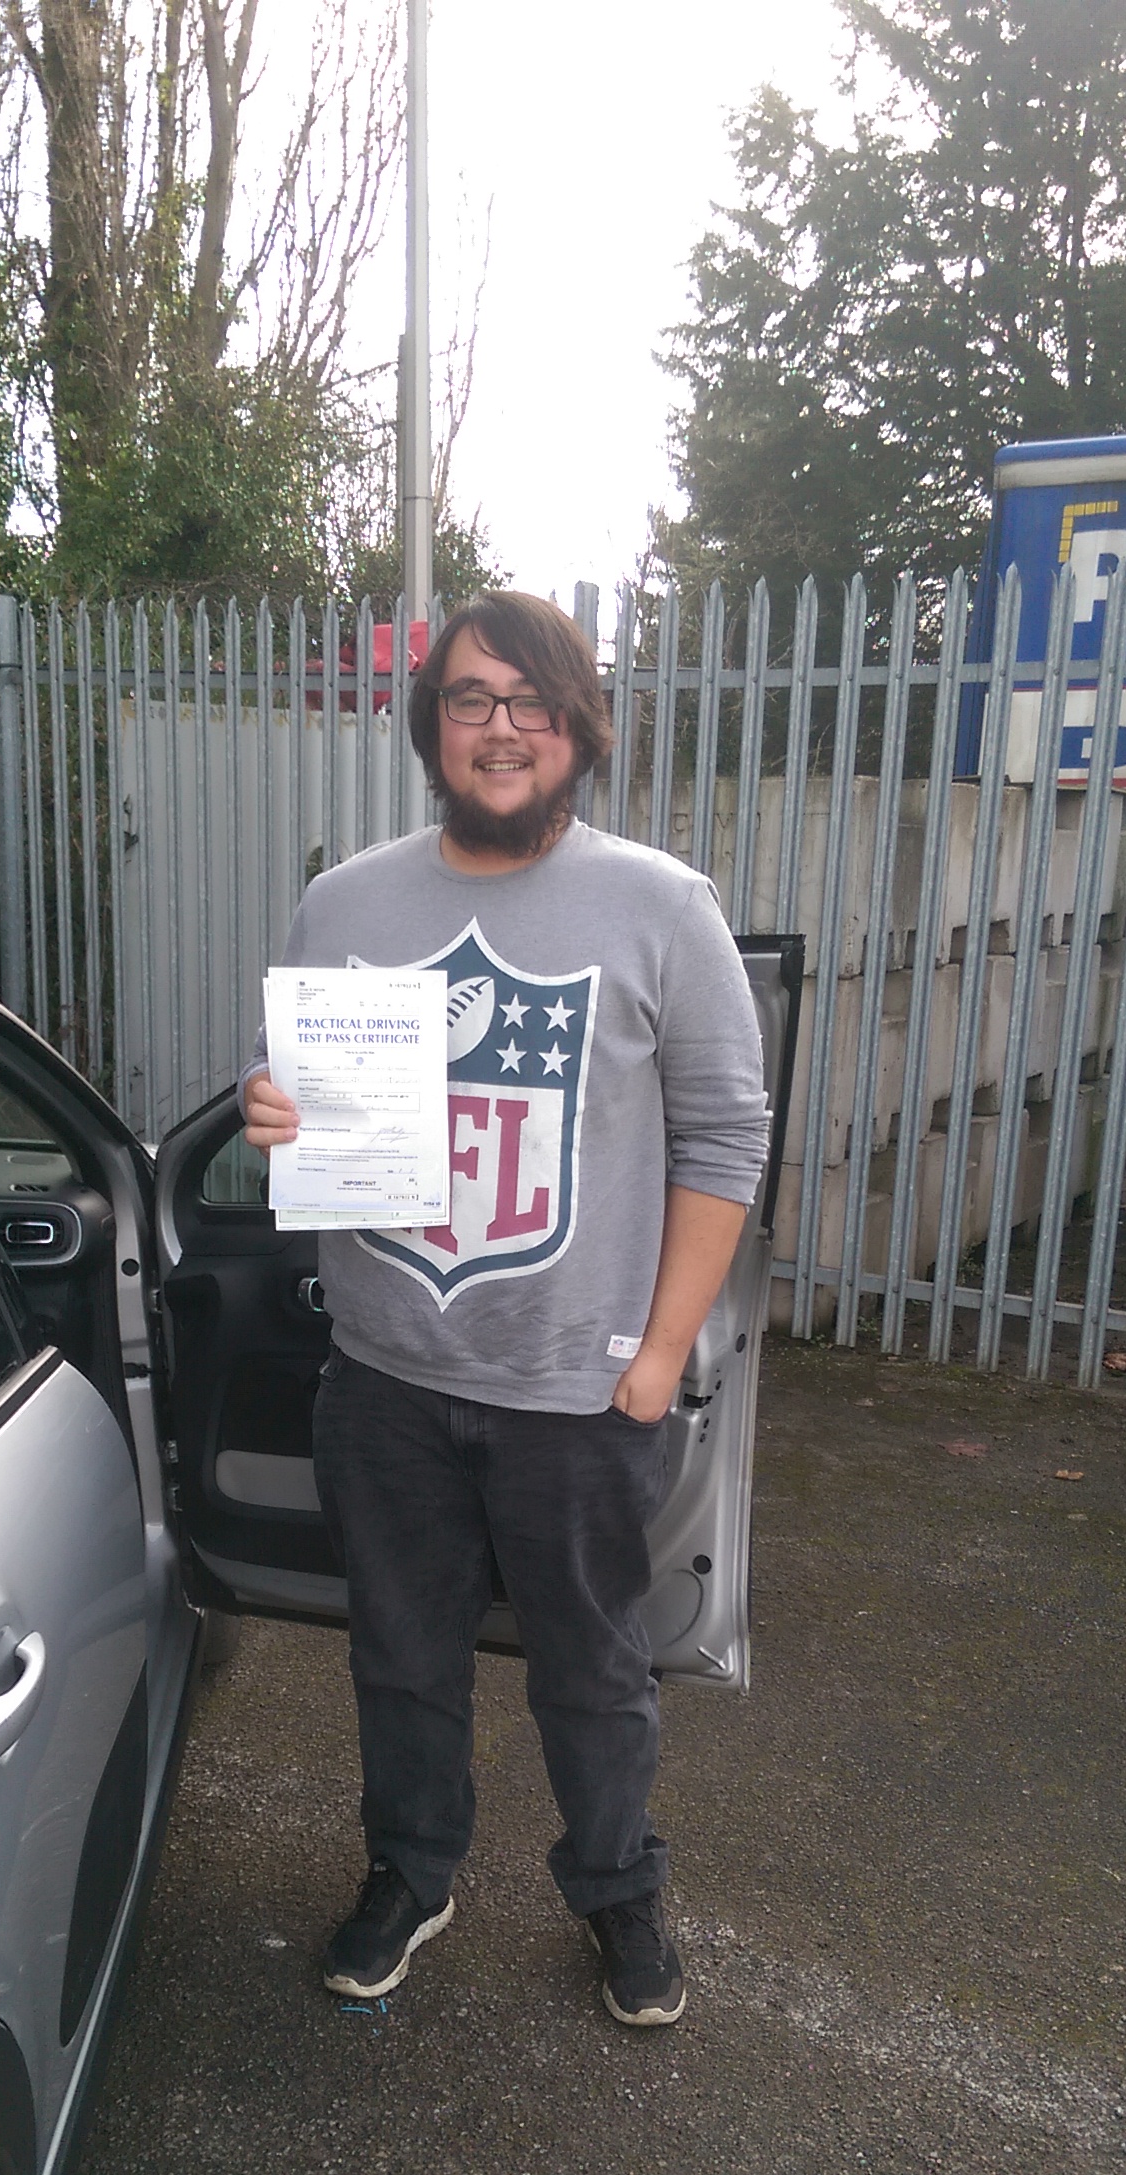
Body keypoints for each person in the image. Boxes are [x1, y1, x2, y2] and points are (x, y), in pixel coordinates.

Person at [242, 591, 770, 2027]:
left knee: (594, 1676)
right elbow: (285, 1088)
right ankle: (412, 1872)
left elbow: (727, 1138)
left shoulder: (662, 907)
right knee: (401, 1663)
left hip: (576, 1393)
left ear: (579, 729)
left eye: (533, 702)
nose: (502, 728)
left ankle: (617, 1889)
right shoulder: (346, 902)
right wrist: (269, 1107)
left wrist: (661, 1356)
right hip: (386, 1377)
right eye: (472, 698)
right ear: (432, 725)